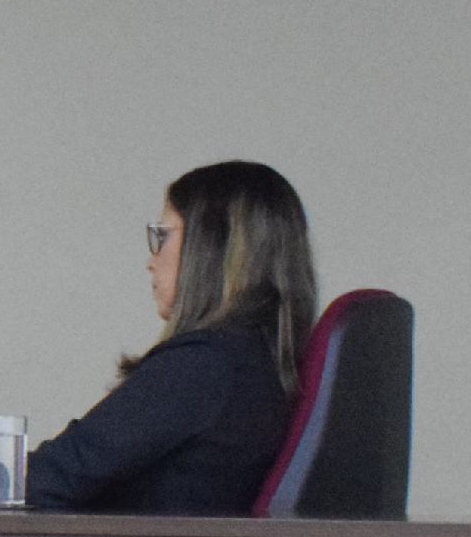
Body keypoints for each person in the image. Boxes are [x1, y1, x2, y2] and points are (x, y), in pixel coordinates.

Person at [27, 161, 316, 513]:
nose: (151, 261)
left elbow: (48, 478)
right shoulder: (257, 364)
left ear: (210, 248)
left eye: (162, 237)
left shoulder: (202, 367)